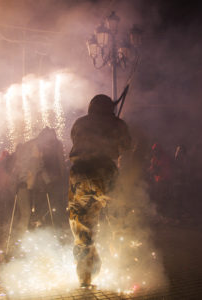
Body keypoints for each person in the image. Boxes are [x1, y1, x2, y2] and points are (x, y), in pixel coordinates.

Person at [68, 94, 131, 288]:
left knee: (81, 225)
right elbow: (127, 146)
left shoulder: (80, 122)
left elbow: (74, 138)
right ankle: (127, 262)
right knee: (119, 217)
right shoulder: (117, 124)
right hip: (106, 173)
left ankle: (85, 277)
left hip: (79, 176)